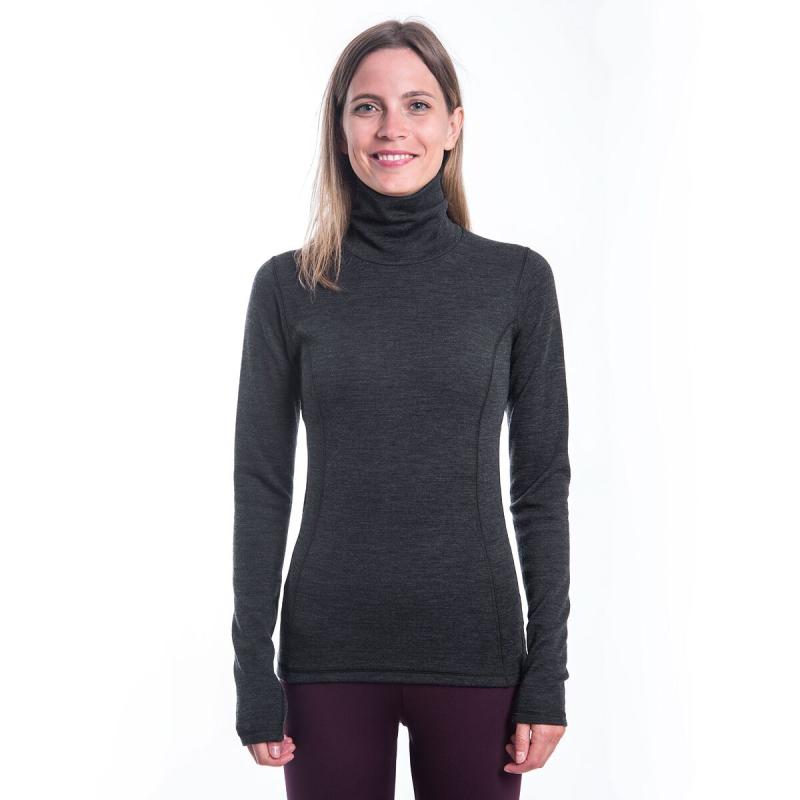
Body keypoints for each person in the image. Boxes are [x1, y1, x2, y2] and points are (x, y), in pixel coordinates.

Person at [231, 19, 571, 800]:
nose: (392, 128)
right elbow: (261, 488)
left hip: (477, 649)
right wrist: (254, 669)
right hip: (327, 655)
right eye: (367, 107)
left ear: (453, 125)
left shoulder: (516, 282)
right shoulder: (287, 288)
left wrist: (547, 673)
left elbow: (540, 490)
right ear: (340, 127)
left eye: (417, 105)